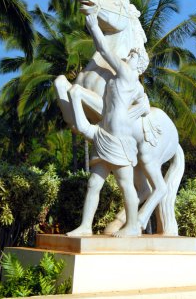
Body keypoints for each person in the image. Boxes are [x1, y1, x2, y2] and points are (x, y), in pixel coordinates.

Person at [66, 13, 149, 237]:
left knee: (125, 183)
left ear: (137, 62)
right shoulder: (133, 85)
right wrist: (135, 112)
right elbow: (145, 105)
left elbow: (104, 50)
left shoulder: (126, 72)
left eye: (131, 55)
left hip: (118, 138)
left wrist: (94, 26)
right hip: (106, 131)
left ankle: (132, 225)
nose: (127, 57)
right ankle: (85, 226)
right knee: (94, 182)